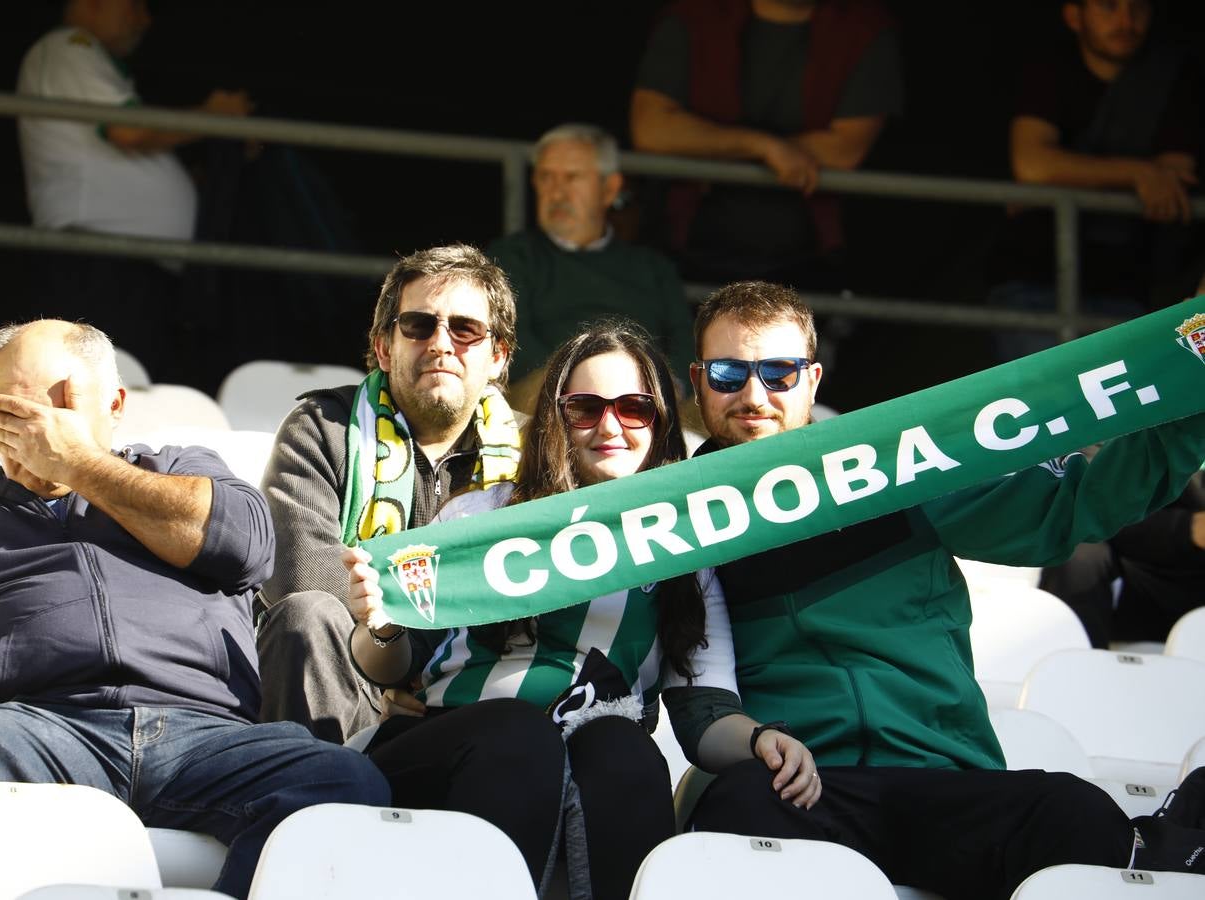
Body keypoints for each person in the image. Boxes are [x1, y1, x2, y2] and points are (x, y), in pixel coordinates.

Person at [667, 281, 1205, 899]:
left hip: (941, 779)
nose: (754, 395)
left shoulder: (891, 467)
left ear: (813, 380)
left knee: (1070, 808)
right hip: (804, 788)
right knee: (738, 805)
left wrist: (1193, 389)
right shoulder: (676, 522)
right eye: (729, 372)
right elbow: (692, 698)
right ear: (697, 379)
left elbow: (1070, 509)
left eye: (779, 373)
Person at [0, 320, 389, 900]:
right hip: (42, 729)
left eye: (60, 404)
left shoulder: (183, 470)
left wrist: (78, 464)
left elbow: (247, 544)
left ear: (114, 406)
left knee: (342, 779)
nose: (40, 427)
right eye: (13, 411)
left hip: (207, 738)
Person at [341, 321, 820, 899]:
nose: (610, 426)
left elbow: (704, 711)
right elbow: (390, 664)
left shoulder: (686, 553)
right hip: (453, 744)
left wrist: (760, 739)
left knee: (625, 749)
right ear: (554, 418)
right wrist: (384, 626)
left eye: (634, 408)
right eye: (585, 408)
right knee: (521, 732)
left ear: (662, 420)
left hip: (595, 754)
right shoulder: (479, 518)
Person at [255, 244, 521, 743]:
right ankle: (324, 803)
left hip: (471, 699)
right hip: (346, 690)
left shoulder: (534, 455)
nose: (441, 344)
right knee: (307, 615)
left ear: (498, 356)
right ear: (384, 348)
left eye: (465, 329)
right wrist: (388, 673)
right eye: (420, 325)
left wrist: (424, 673)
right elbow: (302, 576)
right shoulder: (322, 429)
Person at [16, 0, 253, 381]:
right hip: (99, 261)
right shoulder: (68, 45)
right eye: (135, 6)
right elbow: (129, 131)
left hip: (123, 264)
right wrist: (217, 117)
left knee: (128, 388)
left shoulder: (83, 59)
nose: (144, 19)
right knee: (101, 387)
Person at [630, 0, 902, 284]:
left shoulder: (863, 27)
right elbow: (650, 130)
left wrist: (709, 148)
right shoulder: (693, 15)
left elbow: (844, 150)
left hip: (810, 262)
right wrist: (765, 148)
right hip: (686, 251)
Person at [989, 0, 1202, 359]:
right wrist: (1138, 173)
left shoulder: (1175, 79)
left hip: (1125, 284)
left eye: (1139, 9)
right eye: (1108, 7)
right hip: (1032, 276)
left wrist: (1061, 178)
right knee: (1047, 402)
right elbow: (1032, 164)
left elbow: (1173, 183)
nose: (1126, 21)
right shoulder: (1049, 69)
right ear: (1074, 15)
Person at [488, 124, 693, 411]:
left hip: (646, 400)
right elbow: (512, 342)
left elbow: (686, 341)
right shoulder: (512, 257)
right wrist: (581, 384)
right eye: (546, 177)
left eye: (572, 178)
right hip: (550, 398)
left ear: (610, 189)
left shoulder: (653, 268)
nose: (556, 193)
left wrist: (668, 384)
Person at [1039, 467, 1205, 648]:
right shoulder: (1107, 442)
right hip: (1139, 579)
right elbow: (1090, 511)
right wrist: (1190, 528)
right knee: (1079, 555)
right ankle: (1075, 667)